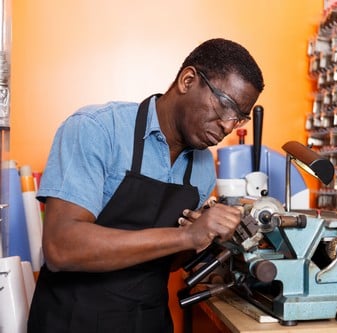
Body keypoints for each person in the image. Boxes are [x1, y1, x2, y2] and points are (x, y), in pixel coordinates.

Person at [27, 38, 265, 333]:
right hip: (75, 320)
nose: (229, 127)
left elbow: (170, 263)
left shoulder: (202, 168)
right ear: (188, 80)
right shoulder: (96, 128)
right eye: (225, 106)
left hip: (147, 320)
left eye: (239, 117)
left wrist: (205, 236)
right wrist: (186, 236)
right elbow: (61, 247)